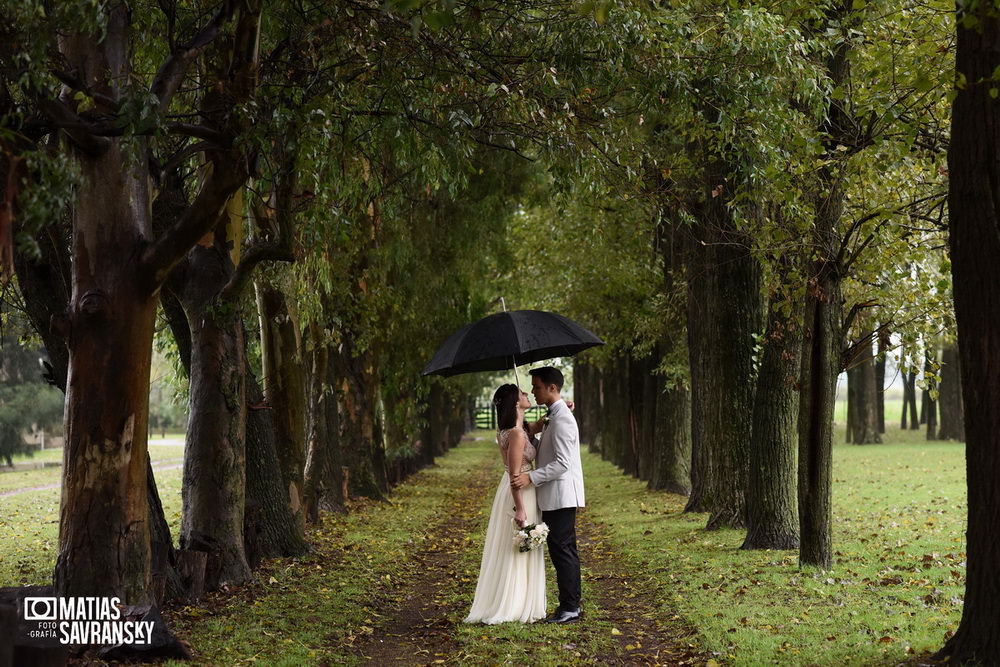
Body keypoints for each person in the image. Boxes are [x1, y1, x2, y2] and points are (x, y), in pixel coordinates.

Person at [464, 384, 546, 624]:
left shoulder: (517, 430)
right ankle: (514, 603)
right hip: (519, 491)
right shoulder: (517, 434)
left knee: (519, 544)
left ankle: (517, 599)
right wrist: (519, 508)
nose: (528, 394)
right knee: (520, 544)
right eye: (522, 393)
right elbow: (514, 474)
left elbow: (538, 425)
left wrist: (557, 412)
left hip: (517, 488)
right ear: (515, 402)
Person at [511, 366, 584, 624]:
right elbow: (545, 447)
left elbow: (563, 463)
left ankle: (570, 607)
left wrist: (531, 476)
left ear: (552, 388)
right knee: (560, 548)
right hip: (553, 493)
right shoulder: (554, 414)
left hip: (562, 494)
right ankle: (569, 604)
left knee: (563, 549)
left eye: (537, 387)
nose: (533, 391)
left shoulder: (563, 418)